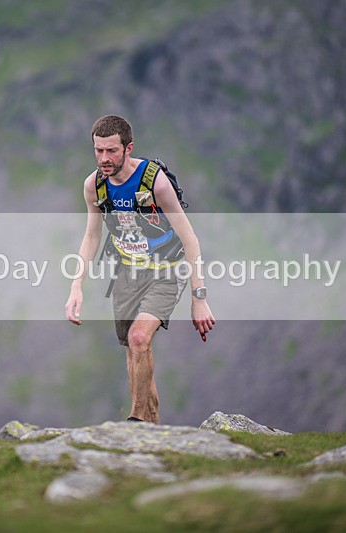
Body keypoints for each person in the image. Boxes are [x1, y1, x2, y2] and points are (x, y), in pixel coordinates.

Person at [65, 114, 216, 424]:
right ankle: (151, 423)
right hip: (127, 272)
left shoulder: (155, 183)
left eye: (111, 151)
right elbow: (92, 236)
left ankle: (135, 422)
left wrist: (199, 298)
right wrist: (76, 286)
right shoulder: (94, 186)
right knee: (135, 349)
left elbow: (190, 240)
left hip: (165, 271)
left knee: (138, 338)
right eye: (98, 150)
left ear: (128, 148)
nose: (104, 159)